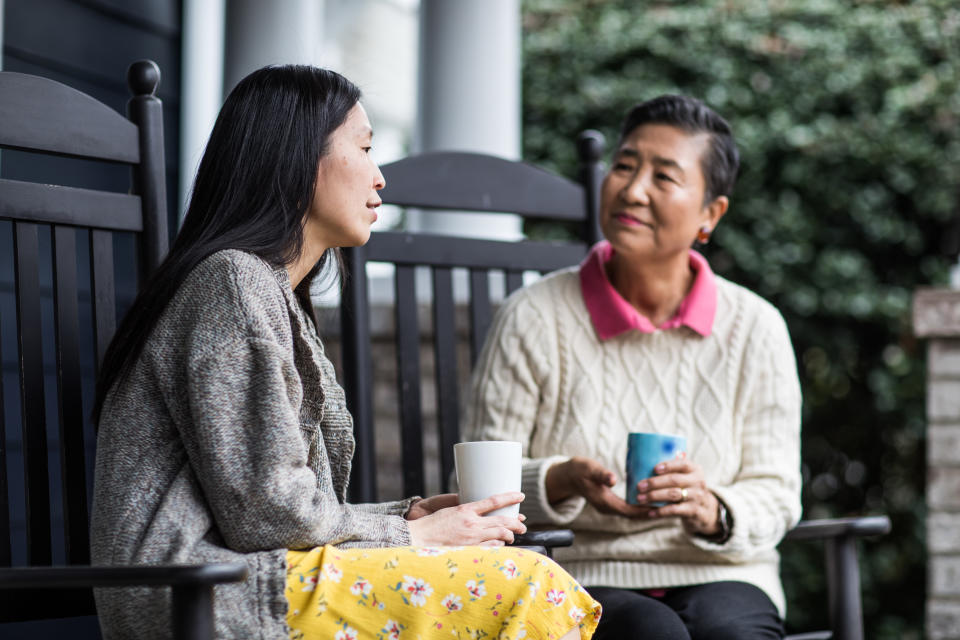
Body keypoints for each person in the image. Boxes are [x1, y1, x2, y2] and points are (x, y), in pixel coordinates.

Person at [90, 65, 600, 640]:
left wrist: (403, 517)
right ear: (296, 159)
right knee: (527, 584)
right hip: (205, 594)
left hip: (248, 576)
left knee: (515, 577)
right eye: (364, 148)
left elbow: (278, 511)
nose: (380, 178)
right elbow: (267, 515)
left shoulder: (268, 291)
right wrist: (416, 537)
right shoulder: (232, 283)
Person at [463, 95, 801, 640]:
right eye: (624, 165)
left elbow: (778, 491)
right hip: (571, 569)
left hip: (723, 573)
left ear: (710, 215)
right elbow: (480, 487)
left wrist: (712, 507)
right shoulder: (533, 315)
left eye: (664, 177)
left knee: (732, 634)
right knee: (652, 633)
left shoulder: (756, 328)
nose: (633, 189)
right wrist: (558, 479)